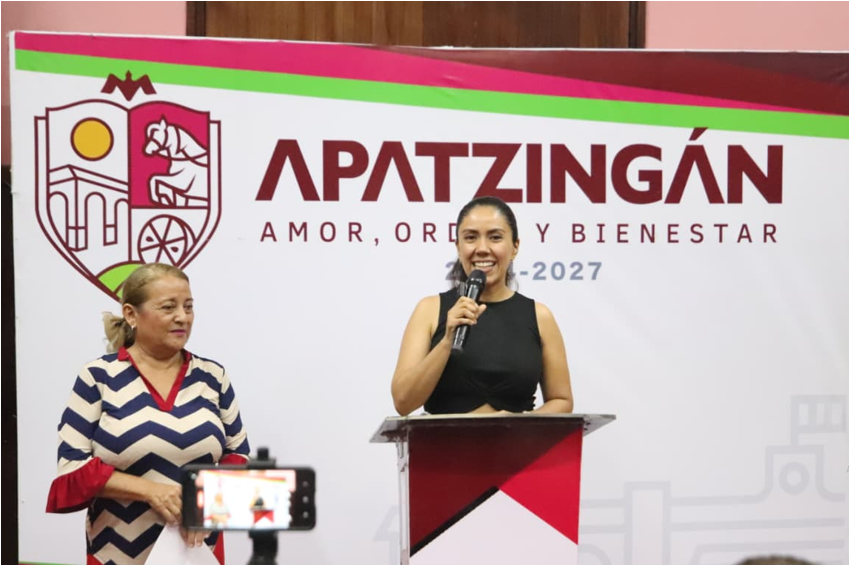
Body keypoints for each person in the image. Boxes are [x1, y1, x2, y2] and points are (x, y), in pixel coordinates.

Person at [46, 263, 251, 565]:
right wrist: (150, 491)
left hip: (198, 554)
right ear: (131, 314)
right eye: (168, 307)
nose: (182, 317)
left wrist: (209, 503)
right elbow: (71, 469)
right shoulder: (98, 377)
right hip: (116, 554)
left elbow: (238, 456)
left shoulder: (212, 376)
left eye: (188, 307)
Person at [391, 196, 574, 416]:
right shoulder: (429, 310)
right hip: (444, 439)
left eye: (495, 237)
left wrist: (518, 422)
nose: (482, 249)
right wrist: (447, 342)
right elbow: (403, 402)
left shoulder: (540, 316)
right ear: (458, 247)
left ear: (515, 247)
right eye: (470, 238)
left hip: (519, 439)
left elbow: (562, 400)